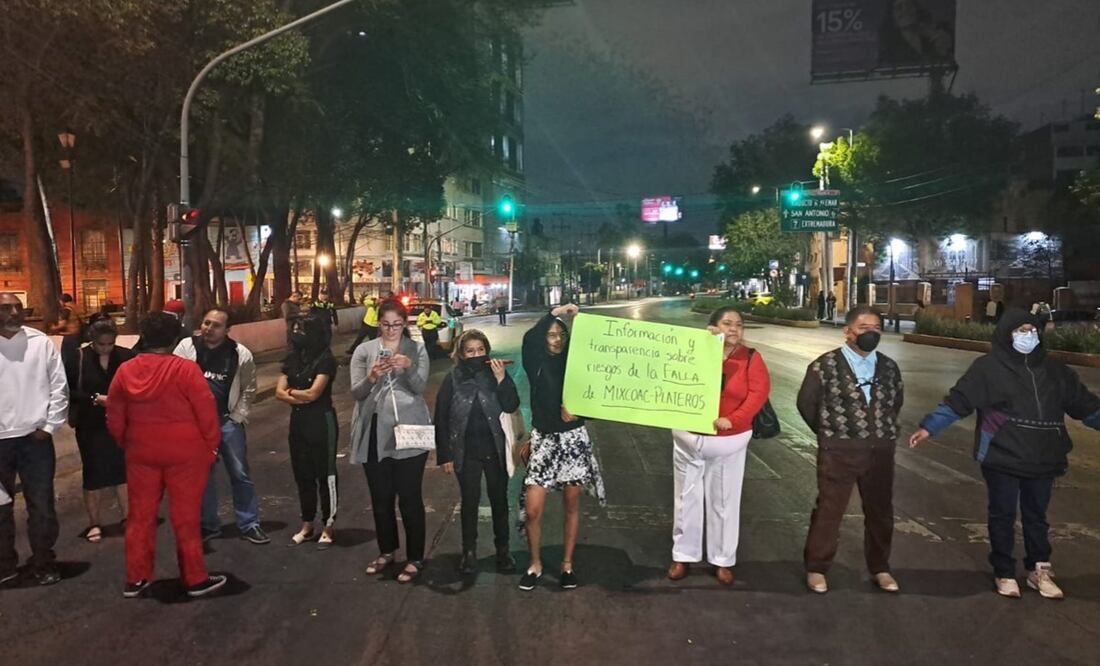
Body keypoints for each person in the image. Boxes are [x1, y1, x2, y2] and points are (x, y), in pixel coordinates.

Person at [909, 308, 1100, 599]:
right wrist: (930, 428)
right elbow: (959, 401)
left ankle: (1039, 569)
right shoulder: (989, 368)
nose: (1028, 335)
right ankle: (1004, 571)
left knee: (1037, 516)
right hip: (1003, 454)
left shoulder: (1057, 373)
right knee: (1003, 515)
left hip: (1044, 456)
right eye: (1021, 330)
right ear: (1006, 334)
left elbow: (1086, 407)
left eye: (1032, 329)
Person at [106, 312, 226, 598]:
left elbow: (114, 415)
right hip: (186, 452)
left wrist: (127, 443)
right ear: (175, 338)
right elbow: (206, 412)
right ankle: (194, 578)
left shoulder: (125, 371)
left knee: (140, 516)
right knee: (185, 517)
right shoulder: (185, 370)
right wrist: (211, 447)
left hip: (141, 451)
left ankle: (136, 578)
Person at [796, 305, 904, 594]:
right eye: (864, 328)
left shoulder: (889, 367)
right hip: (839, 450)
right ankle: (817, 568)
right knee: (830, 511)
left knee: (880, 511)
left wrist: (882, 431)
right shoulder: (825, 366)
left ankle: (880, 568)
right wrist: (831, 433)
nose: (871, 334)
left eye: (876, 329)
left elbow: (895, 403)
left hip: (880, 451)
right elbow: (807, 404)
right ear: (848, 331)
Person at [668, 307, 770, 586]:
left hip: (729, 440)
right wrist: (703, 345)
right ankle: (683, 555)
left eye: (738, 324)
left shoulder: (750, 358)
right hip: (689, 438)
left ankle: (722, 560)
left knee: (724, 501)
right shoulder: (695, 352)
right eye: (727, 323)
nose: (733, 329)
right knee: (685, 499)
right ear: (713, 326)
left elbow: (757, 395)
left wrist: (733, 419)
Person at [518, 304, 606, 591]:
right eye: (551, 334)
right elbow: (530, 338)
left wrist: (579, 413)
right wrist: (554, 313)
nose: (555, 339)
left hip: (572, 440)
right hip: (544, 439)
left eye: (560, 335)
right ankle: (535, 563)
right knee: (533, 510)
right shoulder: (536, 361)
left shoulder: (578, 363)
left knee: (571, 504)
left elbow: (598, 399)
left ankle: (567, 565)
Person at [349, 300, 432, 583]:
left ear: (405, 323)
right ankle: (387, 551)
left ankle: (416, 557)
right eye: (386, 324)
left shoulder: (417, 349)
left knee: (410, 498)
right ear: (378, 324)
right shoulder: (364, 351)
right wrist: (372, 376)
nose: (392, 330)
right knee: (381, 498)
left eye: (397, 324)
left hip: (410, 432)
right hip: (374, 432)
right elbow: (356, 392)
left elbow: (420, 387)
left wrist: (408, 367)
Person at [173, 308, 267, 545]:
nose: (209, 328)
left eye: (216, 325)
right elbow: (174, 381)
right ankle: (208, 525)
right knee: (203, 477)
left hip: (227, 423)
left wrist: (237, 417)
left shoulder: (239, 353)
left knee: (240, 474)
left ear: (227, 330)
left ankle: (249, 523)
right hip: (195, 426)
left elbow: (249, 387)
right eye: (206, 322)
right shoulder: (186, 347)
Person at [434, 329, 520, 575]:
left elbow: (511, 404)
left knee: (499, 501)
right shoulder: (452, 378)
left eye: (480, 350)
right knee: (469, 503)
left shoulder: (495, 373)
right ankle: (468, 552)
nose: (476, 355)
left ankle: (503, 550)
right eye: (470, 351)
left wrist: (502, 379)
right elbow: (440, 417)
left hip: (495, 449)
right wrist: (445, 455)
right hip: (466, 451)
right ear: (461, 353)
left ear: (487, 351)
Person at [0, 293, 68, 586]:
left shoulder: (40, 343)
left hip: (34, 441)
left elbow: (59, 386)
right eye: (6, 308)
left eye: (18, 307)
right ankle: (5, 565)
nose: (15, 313)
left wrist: (49, 427)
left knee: (41, 505)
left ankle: (43, 561)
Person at [64, 317, 134, 543]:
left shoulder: (126, 356)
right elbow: (67, 390)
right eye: (101, 344)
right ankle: (94, 522)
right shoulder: (79, 357)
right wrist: (95, 398)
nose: (105, 348)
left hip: (121, 422)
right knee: (93, 472)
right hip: (89, 423)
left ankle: (128, 518)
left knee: (122, 471)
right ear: (92, 340)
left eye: (110, 344)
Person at [277, 314, 340, 549]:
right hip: (299, 422)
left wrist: (292, 393)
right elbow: (278, 392)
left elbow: (315, 393)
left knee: (326, 475)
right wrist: (298, 395)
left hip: (322, 422)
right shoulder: (292, 359)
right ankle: (307, 524)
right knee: (302, 474)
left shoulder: (326, 360)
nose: (296, 333)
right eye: (294, 329)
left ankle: (328, 524)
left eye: (301, 330)